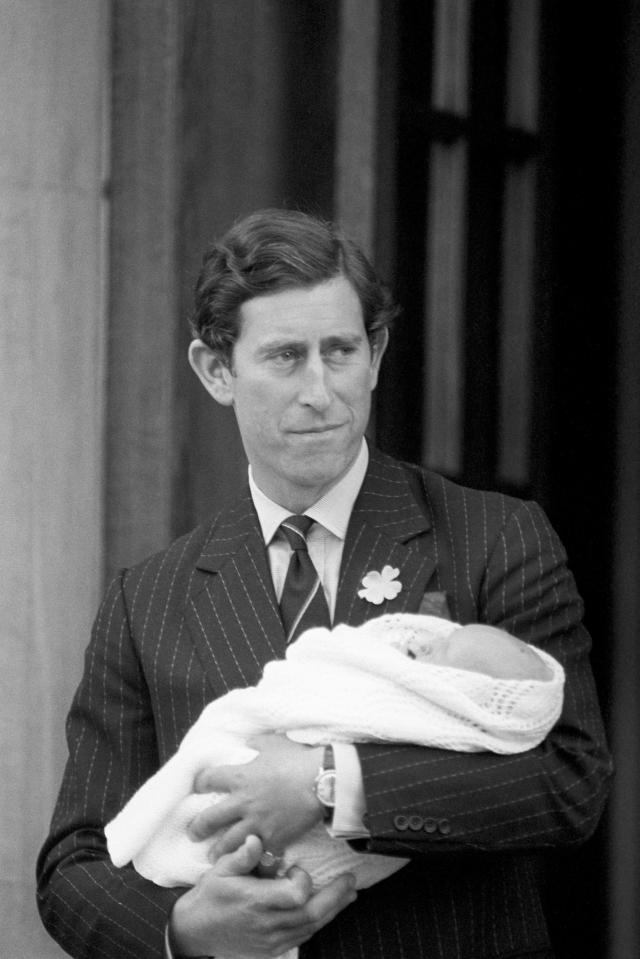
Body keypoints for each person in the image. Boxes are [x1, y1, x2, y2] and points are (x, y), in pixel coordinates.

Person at [37, 209, 612, 959]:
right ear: (217, 371)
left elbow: (568, 783)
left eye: (339, 351)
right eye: (284, 356)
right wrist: (185, 929)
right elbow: (72, 865)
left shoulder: (496, 539)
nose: (320, 389)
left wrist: (330, 781)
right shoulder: (147, 600)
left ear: (374, 355)